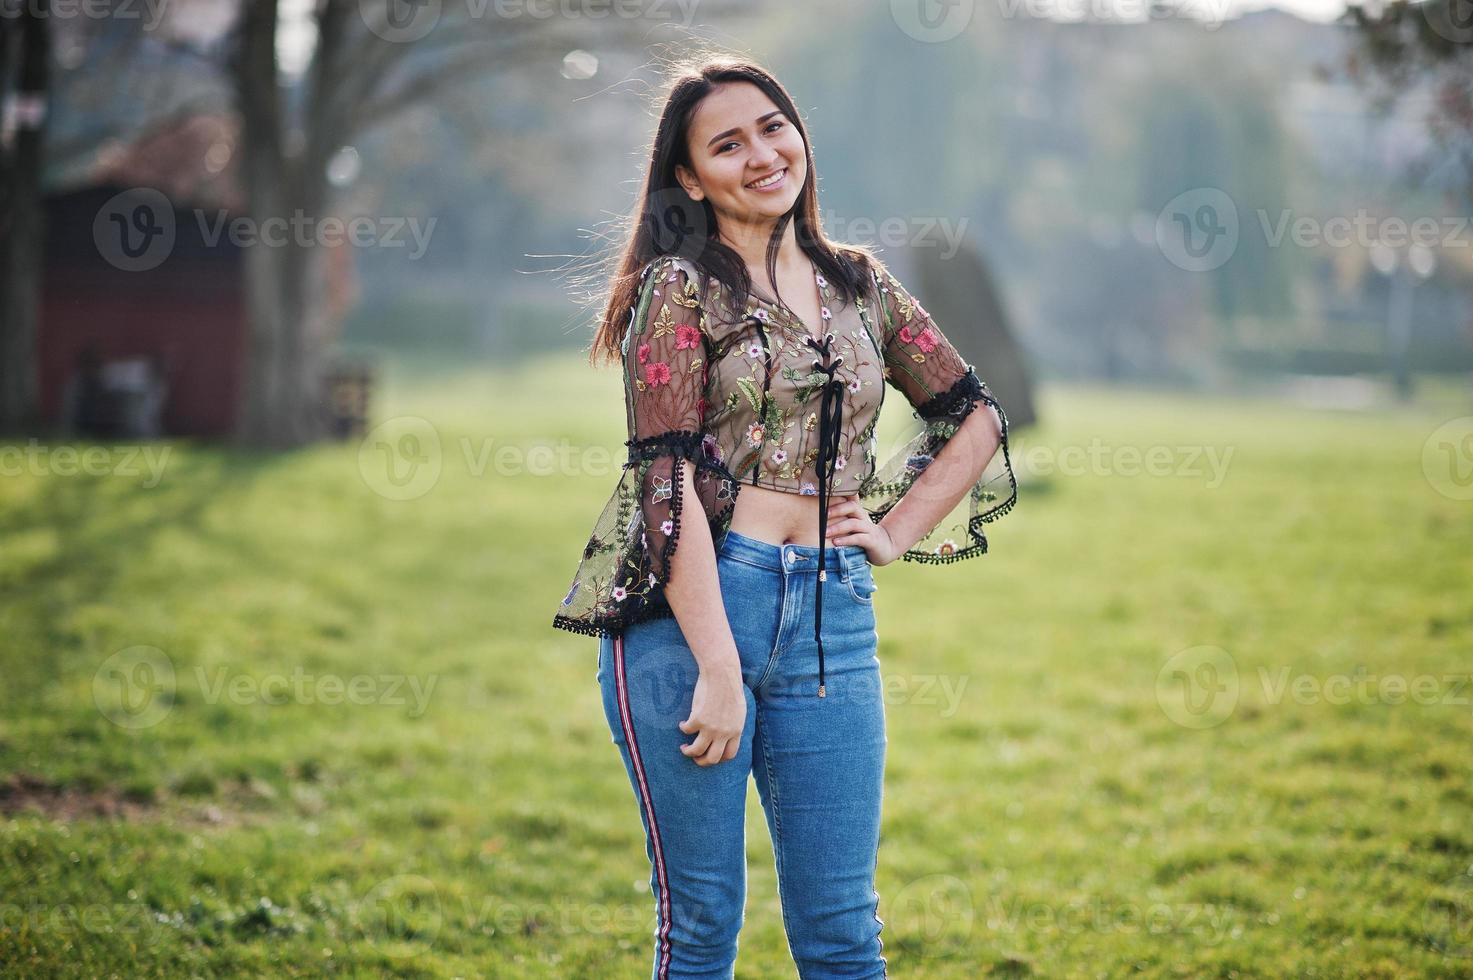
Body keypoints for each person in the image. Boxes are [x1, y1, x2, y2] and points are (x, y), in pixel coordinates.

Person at [551, 56, 1018, 980]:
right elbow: (664, 481)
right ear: (689, 177)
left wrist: (893, 530)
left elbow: (974, 416)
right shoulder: (679, 289)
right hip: (692, 621)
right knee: (701, 928)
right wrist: (718, 669)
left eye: (772, 127)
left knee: (844, 928)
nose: (761, 154)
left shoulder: (861, 285)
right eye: (726, 144)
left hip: (829, 620)